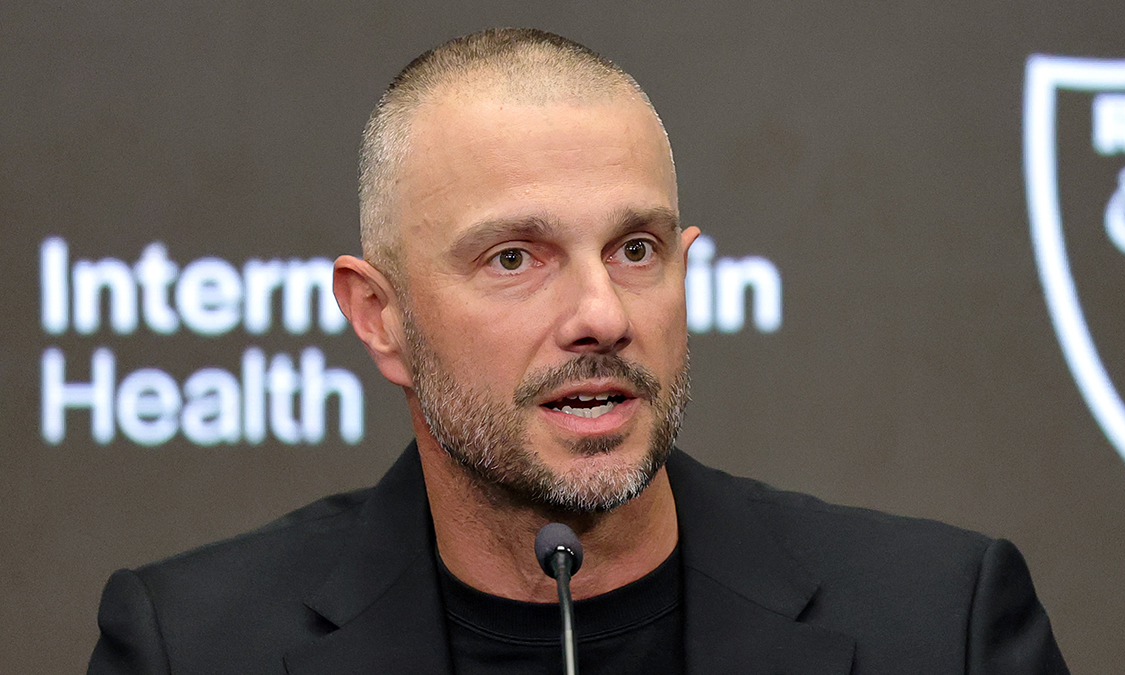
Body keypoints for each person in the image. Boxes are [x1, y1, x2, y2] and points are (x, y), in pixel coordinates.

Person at [87, 28, 1069, 674]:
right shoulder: (195, 647)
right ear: (380, 316)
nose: (601, 313)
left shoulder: (939, 625)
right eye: (515, 258)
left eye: (636, 250)